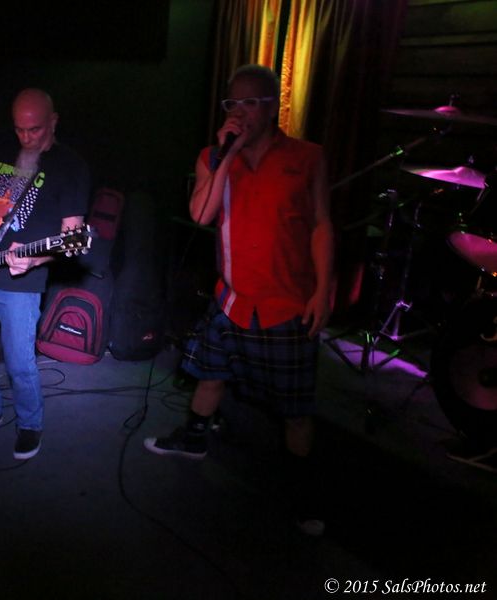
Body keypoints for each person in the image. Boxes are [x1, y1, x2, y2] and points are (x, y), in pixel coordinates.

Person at [143, 65, 334, 535]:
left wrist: (324, 287)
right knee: (209, 374)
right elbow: (201, 214)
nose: (241, 112)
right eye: (233, 103)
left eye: (251, 103)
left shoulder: (307, 156)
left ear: (271, 107)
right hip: (231, 298)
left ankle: (301, 490)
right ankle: (194, 439)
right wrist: (226, 156)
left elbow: (321, 225)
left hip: (286, 301)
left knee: (295, 409)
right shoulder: (212, 157)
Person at [0, 88, 90, 460]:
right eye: (19, 129)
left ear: (53, 122)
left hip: (22, 280)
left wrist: (36, 260)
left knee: (19, 361)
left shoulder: (70, 167)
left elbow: (71, 237)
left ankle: (30, 424)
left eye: (34, 129)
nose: (26, 137)